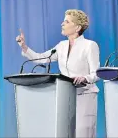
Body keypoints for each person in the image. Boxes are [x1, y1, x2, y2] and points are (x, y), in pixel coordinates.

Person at [16, 9, 100, 138]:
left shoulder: (89, 45)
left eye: (66, 21)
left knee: (83, 133)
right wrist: (24, 47)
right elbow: (41, 58)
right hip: (65, 95)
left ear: (77, 27)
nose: (62, 24)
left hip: (85, 95)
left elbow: (97, 73)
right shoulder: (61, 46)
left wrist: (85, 78)